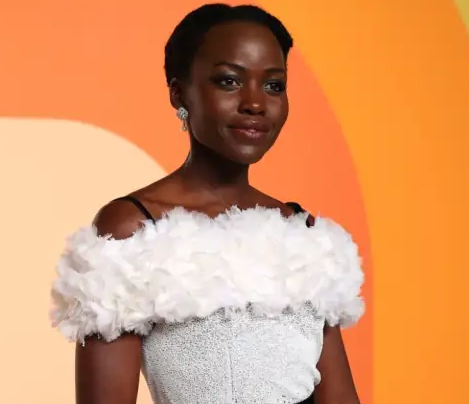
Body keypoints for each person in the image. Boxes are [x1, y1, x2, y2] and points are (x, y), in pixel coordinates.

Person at [50, 3, 365, 404]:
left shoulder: (304, 236)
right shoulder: (133, 230)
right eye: (229, 81)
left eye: (273, 85)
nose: (255, 103)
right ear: (179, 93)